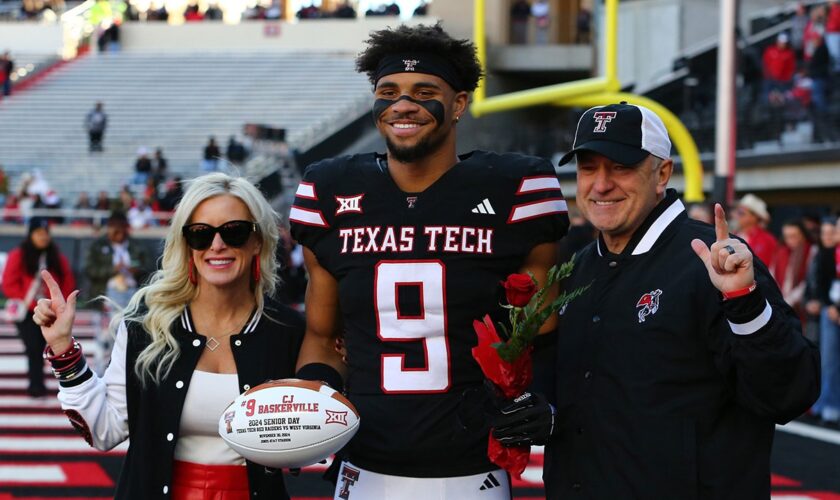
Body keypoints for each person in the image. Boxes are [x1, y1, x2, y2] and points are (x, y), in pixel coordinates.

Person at [288, 23, 569, 499]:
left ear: (459, 104)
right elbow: (320, 336)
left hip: (471, 470)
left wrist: (540, 401)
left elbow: (543, 337)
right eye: (388, 91)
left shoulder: (515, 189)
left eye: (424, 92)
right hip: (364, 467)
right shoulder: (331, 191)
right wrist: (311, 399)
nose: (403, 105)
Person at [491, 103, 820, 498]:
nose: (600, 184)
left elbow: (789, 394)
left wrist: (745, 303)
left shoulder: (711, 260)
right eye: (588, 167)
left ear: (662, 172)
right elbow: (593, 390)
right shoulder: (579, 265)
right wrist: (545, 409)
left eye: (620, 167)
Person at [33, 173, 304, 499]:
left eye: (234, 232)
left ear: (258, 240)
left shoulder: (288, 330)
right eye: (200, 234)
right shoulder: (145, 326)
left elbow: (311, 438)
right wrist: (63, 348)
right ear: (186, 245)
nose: (217, 245)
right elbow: (104, 431)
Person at [1, 217, 75, 397]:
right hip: (27, 312)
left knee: (49, 348)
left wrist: (61, 304)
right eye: (39, 233)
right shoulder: (18, 255)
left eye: (45, 233)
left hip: (52, 311)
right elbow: (9, 283)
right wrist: (32, 304)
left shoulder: (56, 256)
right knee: (33, 348)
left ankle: (59, 385)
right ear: (31, 234)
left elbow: (67, 280)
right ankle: (36, 386)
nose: (43, 237)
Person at [811, 215, 840, 426]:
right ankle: (826, 406)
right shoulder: (826, 254)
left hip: (833, 308)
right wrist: (829, 305)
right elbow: (820, 283)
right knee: (828, 360)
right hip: (830, 311)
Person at [770, 219, 814, 317]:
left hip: (801, 303)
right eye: (787, 237)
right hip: (781, 302)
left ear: (803, 235)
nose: (790, 240)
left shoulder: (811, 250)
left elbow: (808, 280)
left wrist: (790, 300)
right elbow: (772, 276)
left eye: (794, 236)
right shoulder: (780, 252)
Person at [734, 193, 777, 266]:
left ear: (754, 217)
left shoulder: (768, 240)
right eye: (738, 212)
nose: (737, 215)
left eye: (741, 213)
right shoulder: (734, 235)